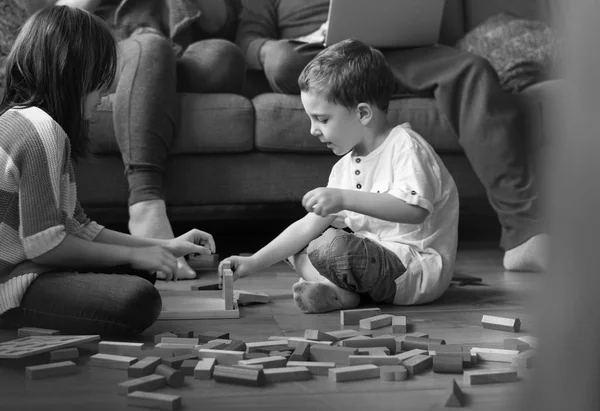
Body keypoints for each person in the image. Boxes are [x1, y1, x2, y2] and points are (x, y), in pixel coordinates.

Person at [235, 0, 547, 272]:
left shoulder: (405, 146)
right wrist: (286, 45)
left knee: (473, 70)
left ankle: (525, 233)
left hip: (393, 53)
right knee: (283, 60)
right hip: (311, 57)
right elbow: (247, 41)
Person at [0, 6, 216, 337]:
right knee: (138, 298)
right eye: (99, 83)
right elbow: (45, 246)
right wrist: (137, 254)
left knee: (144, 268)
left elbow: (79, 227)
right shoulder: (41, 132)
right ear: (71, 74)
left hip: (25, 263)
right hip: (10, 281)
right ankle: (14, 315)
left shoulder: (28, 121)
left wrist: (164, 246)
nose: (103, 96)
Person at [219, 39, 459, 314]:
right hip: (371, 265)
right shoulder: (345, 167)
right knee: (296, 246)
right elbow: (306, 226)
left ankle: (340, 289)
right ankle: (339, 293)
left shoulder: (405, 146)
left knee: (331, 246)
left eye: (322, 119)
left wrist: (344, 198)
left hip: (415, 270)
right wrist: (254, 262)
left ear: (363, 113)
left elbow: (414, 210)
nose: (313, 130)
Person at [51, 0, 246, 280]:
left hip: (180, 54)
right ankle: (145, 203)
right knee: (151, 45)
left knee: (225, 56)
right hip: (117, 49)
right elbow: (64, 17)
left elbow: (217, 22)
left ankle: (152, 78)